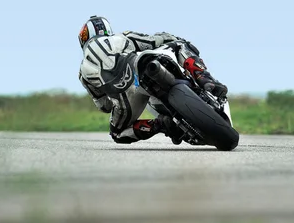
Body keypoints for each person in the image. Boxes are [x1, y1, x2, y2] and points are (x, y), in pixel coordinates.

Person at [77, 15, 228, 145]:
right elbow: (152, 41)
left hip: (125, 98)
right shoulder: (119, 38)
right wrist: (173, 39)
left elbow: (105, 106)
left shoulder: (83, 74)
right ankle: (204, 78)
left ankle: (160, 125)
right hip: (138, 68)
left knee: (117, 134)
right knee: (180, 45)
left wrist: (114, 95)